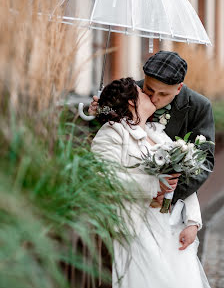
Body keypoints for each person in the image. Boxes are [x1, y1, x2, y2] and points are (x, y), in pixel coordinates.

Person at [91, 77, 210, 288]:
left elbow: (180, 174)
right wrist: (154, 186)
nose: (151, 98)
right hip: (136, 229)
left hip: (171, 229)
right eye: (144, 92)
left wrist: (193, 222)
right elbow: (104, 178)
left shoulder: (157, 133)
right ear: (131, 102)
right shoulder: (111, 133)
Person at [90, 51, 215, 205]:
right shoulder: (133, 93)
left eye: (163, 94)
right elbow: (107, 128)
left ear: (178, 88)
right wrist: (100, 111)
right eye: (148, 89)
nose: (154, 98)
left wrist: (170, 195)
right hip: (131, 193)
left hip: (178, 193)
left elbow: (205, 161)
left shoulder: (199, 106)